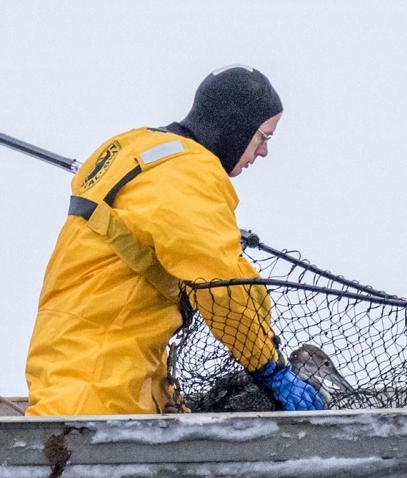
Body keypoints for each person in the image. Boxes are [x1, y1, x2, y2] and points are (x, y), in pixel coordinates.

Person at [25, 65, 322, 416]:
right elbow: (222, 284)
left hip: (78, 369)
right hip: (100, 390)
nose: (263, 152)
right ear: (236, 127)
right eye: (263, 137)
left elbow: (221, 266)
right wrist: (269, 367)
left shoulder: (135, 146)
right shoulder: (187, 175)